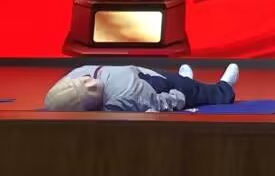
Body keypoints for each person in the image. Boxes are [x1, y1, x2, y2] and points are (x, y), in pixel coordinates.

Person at [44, 63, 239, 112]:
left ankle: (184, 79)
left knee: (176, 79)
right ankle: (224, 87)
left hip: (144, 73)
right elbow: (160, 103)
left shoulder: (75, 73)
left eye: (85, 81)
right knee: (195, 92)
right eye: (90, 90)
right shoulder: (121, 101)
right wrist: (179, 97)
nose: (92, 82)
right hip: (159, 88)